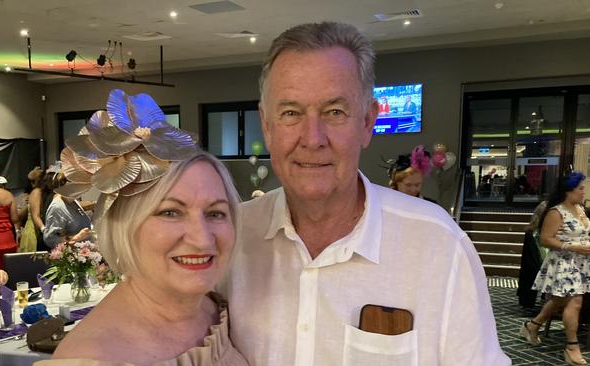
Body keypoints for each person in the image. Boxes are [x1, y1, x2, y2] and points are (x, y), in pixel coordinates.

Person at [221, 22, 509, 365]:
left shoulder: (438, 245)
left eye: (335, 112)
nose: (313, 138)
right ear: (267, 126)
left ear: (368, 121)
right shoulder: (228, 239)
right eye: (291, 113)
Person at [37, 89, 247, 366]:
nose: (202, 238)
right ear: (124, 226)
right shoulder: (90, 358)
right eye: (171, 212)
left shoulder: (219, 313)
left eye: (216, 213)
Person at [521, 172, 590, 365]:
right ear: (569, 190)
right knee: (575, 301)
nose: (584, 191)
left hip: (581, 262)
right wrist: (573, 247)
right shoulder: (556, 212)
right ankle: (572, 346)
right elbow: (545, 239)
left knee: (561, 299)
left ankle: (533, 325)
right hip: (564, 262)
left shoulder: (579, 209)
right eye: (581, 188)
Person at [42, 172, 92, 249]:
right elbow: (50, 239)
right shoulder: (57, 207)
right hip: (71, 256)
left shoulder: (73, 202)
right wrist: (76, 238)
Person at [19, 166, 43, 252]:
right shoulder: (36, 193)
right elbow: (19, 216)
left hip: (30, 228)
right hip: (34, 229)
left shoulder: (33, 194)